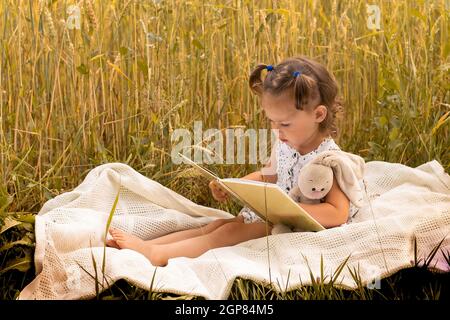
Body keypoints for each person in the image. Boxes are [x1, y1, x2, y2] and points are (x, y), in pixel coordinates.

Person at [107, 56, 354, 267]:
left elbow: (338, 213)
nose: (277, 131)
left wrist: (286, 211)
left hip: (293, 227)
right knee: (220, 224)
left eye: (285, 124)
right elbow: (269, 174)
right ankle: (147, 245)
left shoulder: (326, 160)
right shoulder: (287, 143)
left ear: (318, 115)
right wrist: (234, 184)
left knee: (230, 231)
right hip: (272, 216)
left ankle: (155, 255)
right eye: (272, 122)